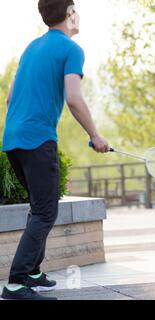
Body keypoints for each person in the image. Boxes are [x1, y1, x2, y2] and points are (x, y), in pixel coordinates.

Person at [1, 0, 109, 300]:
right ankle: (16, 284)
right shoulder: (72, 49)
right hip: (38, 139)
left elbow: (10, 98)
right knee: (46, 212)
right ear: (70, 13)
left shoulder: (31, 47)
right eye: (76, 9)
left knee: (39, 207)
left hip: (12, 140)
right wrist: (95, 135)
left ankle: (33, 272)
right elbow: (73, 98)